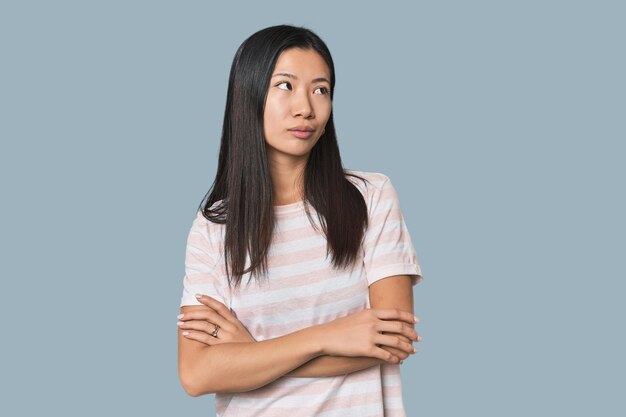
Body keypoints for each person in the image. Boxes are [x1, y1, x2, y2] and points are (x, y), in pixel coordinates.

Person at [177, 24, 424, 416]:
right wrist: (329, 336)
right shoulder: (214, 228)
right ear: (250, 94)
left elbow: (392, 341)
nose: (305, 107)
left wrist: (250, 357)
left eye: (321, 89)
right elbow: (196, 373)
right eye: (286, 86)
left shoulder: (370, 197)